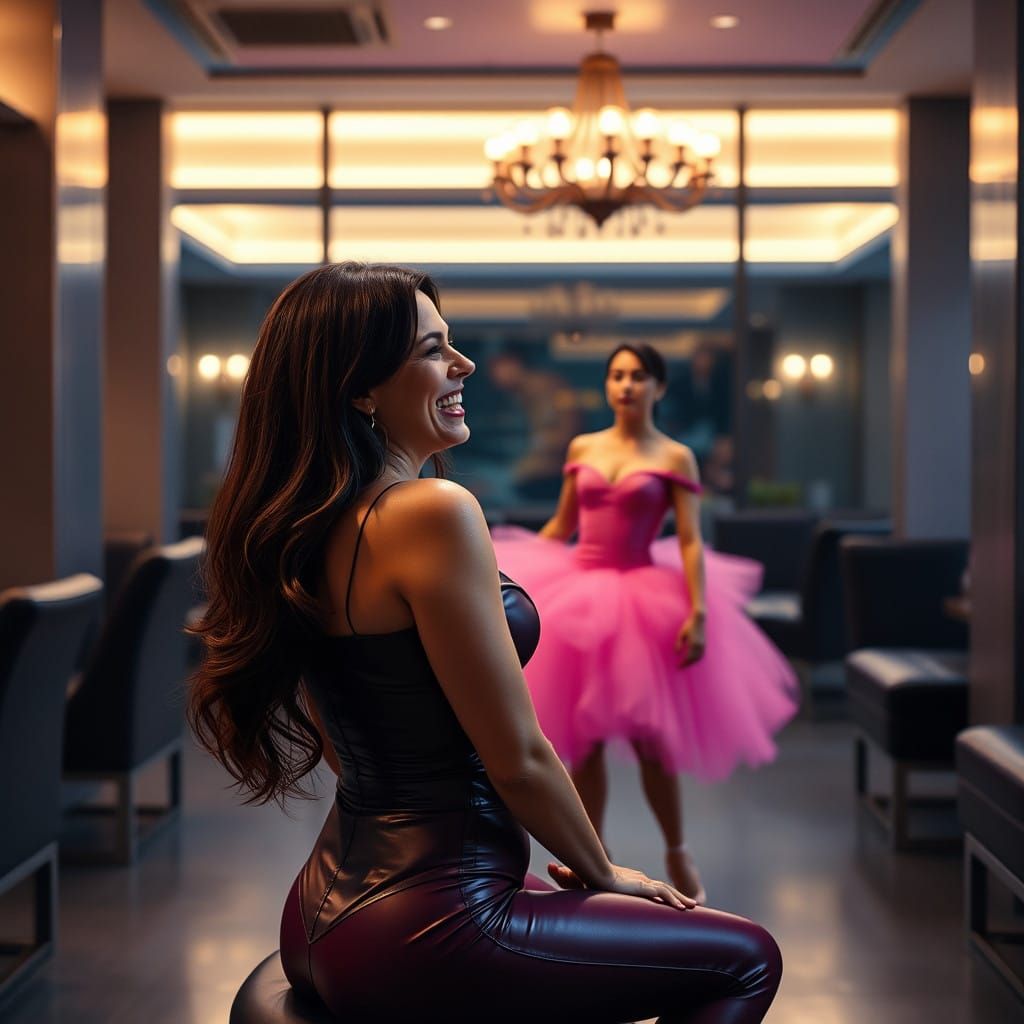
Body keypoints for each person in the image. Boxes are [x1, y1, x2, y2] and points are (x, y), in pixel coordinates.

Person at [189, 263, 782, 1024]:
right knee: (746, 959)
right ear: (361, 388)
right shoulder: (431, 511)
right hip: (428, 925)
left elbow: (349, 748)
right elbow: (519, 754)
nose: (462, 363)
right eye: (433, 350)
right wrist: (605, 871)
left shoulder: (307, 525)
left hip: (319, 913)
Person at [492, 344, 799, 904]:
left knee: (652, 739)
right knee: (582, 744)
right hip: (578, 594)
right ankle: (595, 858)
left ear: (657, 386)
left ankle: (677, 851)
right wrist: (508, 574)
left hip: (640, 594)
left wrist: (699, 611)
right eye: (617, 376)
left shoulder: (676, 456)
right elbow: (563, 522)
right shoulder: (584, 445)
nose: (625, 386)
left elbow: (688, 539)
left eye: (637, 376)